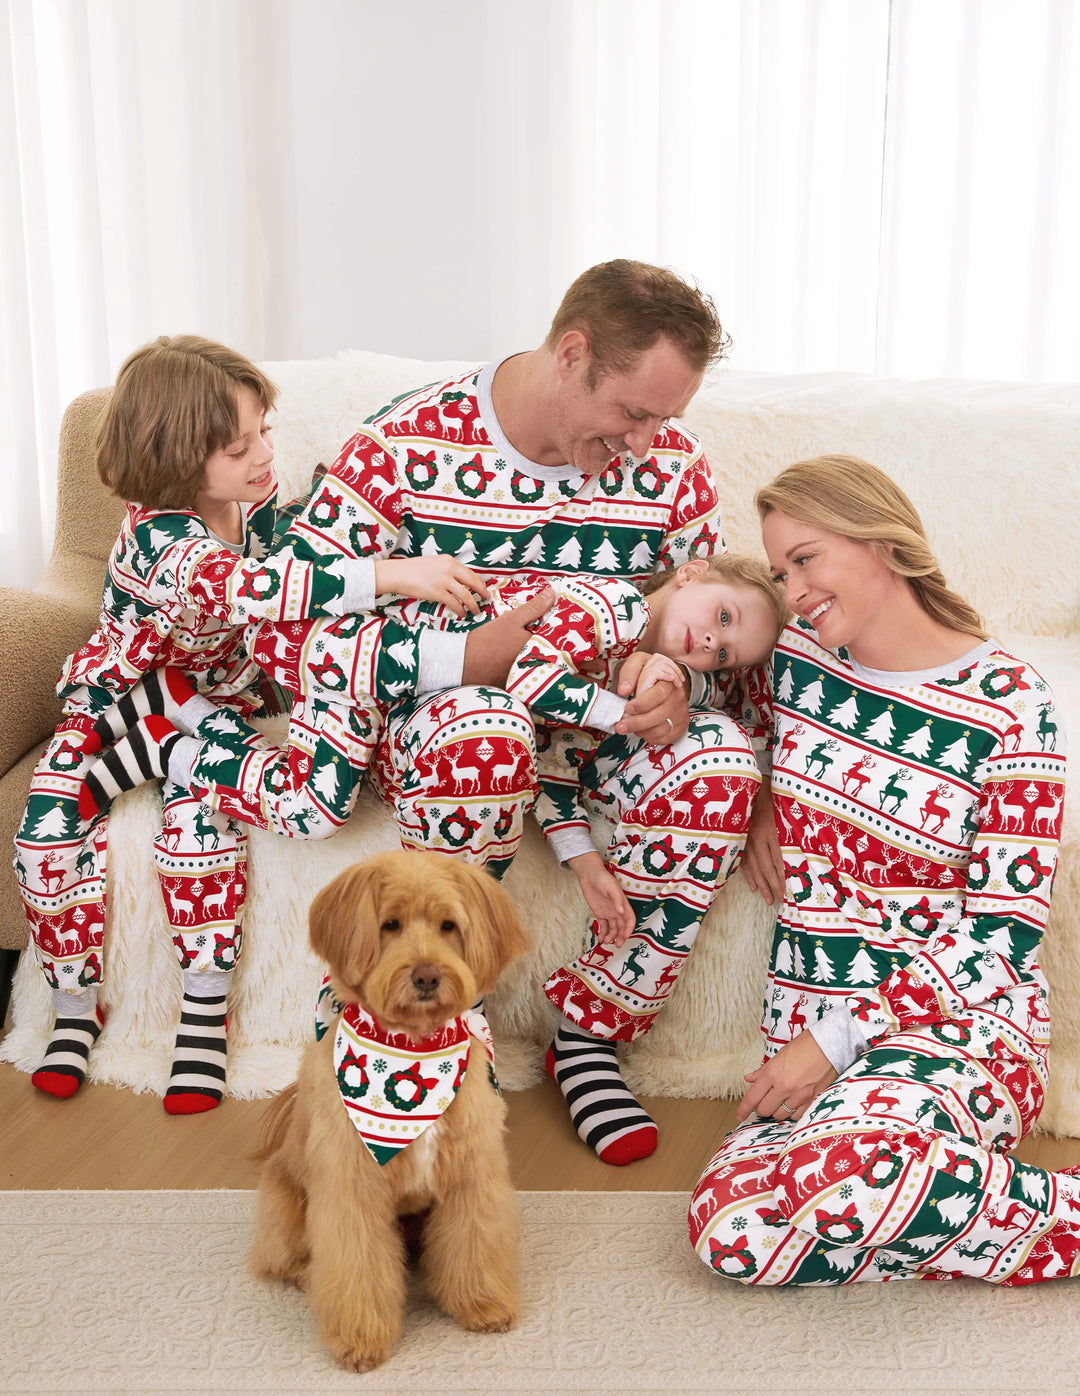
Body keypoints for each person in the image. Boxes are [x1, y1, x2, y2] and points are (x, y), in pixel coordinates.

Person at [186, 258, 764, 1163]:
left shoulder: (673, 473)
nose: (648, 441)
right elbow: (284, 639)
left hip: (595, 740)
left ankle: (592, 1031)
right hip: (448, 732)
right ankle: (440, 1029)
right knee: (484, 727)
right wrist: (464, 661)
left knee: (720, 762)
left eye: (665, 418)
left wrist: (678, 683)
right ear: (572, 354)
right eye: (633, 413)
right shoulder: (403, 446)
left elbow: (720, 619)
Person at [14, 335, 488, 1113]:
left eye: (263, 430)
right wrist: (396, 574)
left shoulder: (257, 504)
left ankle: (204, 1015)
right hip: (120, 703)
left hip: (216, 707)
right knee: (45, 830)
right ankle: (74, 1007)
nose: (266, 453)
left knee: (199, 831)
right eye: (240, 448)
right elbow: (256, 588)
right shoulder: (157, 537)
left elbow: (305, 548)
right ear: (174, 460)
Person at [688, 455, 1078, 1285]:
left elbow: (1003, 938)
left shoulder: (1014, 703)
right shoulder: (793, 658)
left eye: (806, 560)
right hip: (812, 1034)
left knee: (832, 1179)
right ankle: (914, 1193)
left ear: (883, 543)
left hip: (962, 1029)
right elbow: (709, 702)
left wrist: (832, 1044)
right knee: (730, 1235)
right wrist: (758, 795)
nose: (793, 592)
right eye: (780, 573)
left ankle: (940, 1186)